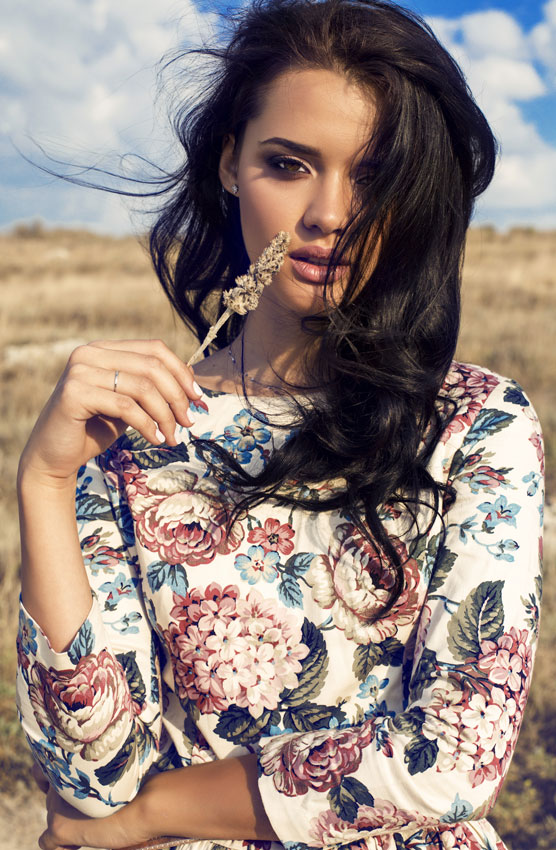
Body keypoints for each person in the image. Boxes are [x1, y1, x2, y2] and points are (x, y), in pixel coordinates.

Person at [15, 1, 544, 849]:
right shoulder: (135, 433)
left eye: (372, 176)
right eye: (289, 164)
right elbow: (93, 778)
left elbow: (452, 761)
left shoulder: (474, 426)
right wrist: (44, 486)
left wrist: (156, 812)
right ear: (230, 164)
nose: (329, 213)